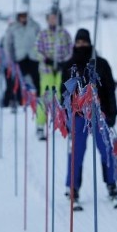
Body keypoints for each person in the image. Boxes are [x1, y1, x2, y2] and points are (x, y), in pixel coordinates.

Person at [61, 28, 117, 204]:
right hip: (78, 115)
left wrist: (112, 113)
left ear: (89, 43)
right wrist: (65, 117)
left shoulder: (100, 64)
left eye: (84, 42)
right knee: (76, 152)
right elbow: (63, 93)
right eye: (79, 42)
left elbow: (110, 89)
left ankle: (111, 183)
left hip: (99, 114)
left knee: (106, 150)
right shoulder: (69, 66)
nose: (82, 45)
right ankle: (73, 187)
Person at [35, 7, 72, 140]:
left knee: (62, 97)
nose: (53, 20)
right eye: (51, 17)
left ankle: (66, 124)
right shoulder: (43, 34)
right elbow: (37, 51)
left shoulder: (64, 34)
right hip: (47, 71)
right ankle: (40, 125)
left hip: (60, 70)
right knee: (46, 96)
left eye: (55, 17)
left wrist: (64, 62)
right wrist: (46, 59)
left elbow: (70, 50)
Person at [2, 11, 41, 108]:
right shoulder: (13, 28)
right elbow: (8, 44)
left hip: (33, 58)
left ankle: (39, 100)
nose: (23, 18)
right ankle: (18, 101)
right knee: (16, 81)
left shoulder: (35, 26)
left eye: (25, 15)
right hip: (19, 58)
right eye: (21, 16)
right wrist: (10, 59)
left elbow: (41, 40)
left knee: (37, 79)